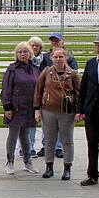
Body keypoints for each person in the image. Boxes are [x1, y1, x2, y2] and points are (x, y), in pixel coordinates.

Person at [34, 47, 80, 180]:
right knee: (49, 141)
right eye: (55, 57)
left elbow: (79, 93)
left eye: (61, 57)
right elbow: (38, 90)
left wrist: (79, 111)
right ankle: (49, 167)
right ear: (51, 58)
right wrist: (37, 109)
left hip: (66, 113)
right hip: (48, 111)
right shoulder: (46, 72)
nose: (58, 59)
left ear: (66, 58)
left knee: (67, 141)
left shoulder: (73, 74)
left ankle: (67, 167)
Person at [1, 42, 41, 175]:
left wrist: (38, 107)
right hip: (15, 107)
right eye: (20, 52)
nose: (23, 54)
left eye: (25, 52)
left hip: (30, 107)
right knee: (13, 134)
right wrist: (7, 107)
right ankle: (10, 161)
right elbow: (6, 89)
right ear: (16, 54)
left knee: (26, 136)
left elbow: (39, 89)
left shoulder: (35, 69)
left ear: (30, 53)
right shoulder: (12, 69)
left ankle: (28, 161)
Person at [77, 32, 99, 187]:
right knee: (92, 144)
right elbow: (84, 88)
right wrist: (80, 109)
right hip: (91, 111)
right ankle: (92, 175)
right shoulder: (91, 64)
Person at [40, 32, 74, 158]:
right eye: (53, 41)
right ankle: (46, 147)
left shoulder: (69, 57)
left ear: (62, 42)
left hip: (64, 100)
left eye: (57, 40)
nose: (54, 43)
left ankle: (59, 147)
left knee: (64, 130)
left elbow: (74, 77)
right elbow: (40, 78)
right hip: (49, 98)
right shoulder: (45, 57)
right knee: (48, 127)